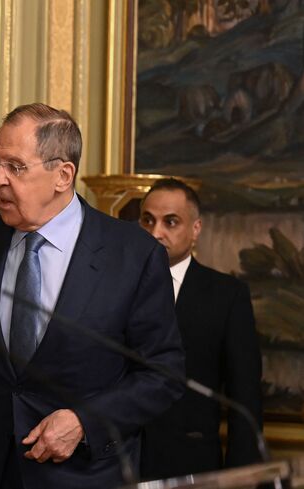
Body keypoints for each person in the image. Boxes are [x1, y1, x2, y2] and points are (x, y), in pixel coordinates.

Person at [0, 103, 186, 489]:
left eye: (15, 167)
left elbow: (163, 373)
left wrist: (84, 421)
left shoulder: (132, 253)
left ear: (63, 175)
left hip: (85, 474)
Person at [138, 178, 263, 480]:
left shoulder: (226, 295)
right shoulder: (113, 286)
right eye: (147, 220)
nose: (156, 233)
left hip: (190, 467)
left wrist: (239, 480)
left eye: (171, 222)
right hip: (116, 464)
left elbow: (244, 397)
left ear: (195, 229)